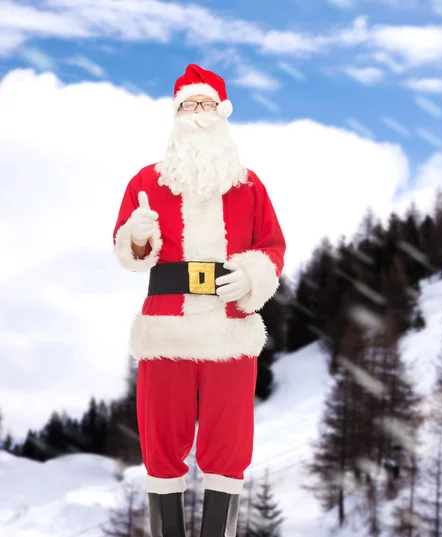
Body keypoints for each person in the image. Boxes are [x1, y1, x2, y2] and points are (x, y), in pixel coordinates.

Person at [112, 63, 286, 537]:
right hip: (166, 328)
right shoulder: (146, 181)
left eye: (207, 105)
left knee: (228, 447)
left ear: (223, 114)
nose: (199, 114)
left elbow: (273, 246)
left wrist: (250, 276)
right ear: (176, 115)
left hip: (229, 328)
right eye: (189, 105)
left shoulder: (249, 185)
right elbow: (128, 253)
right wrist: (139, 235)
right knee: (161, 444)